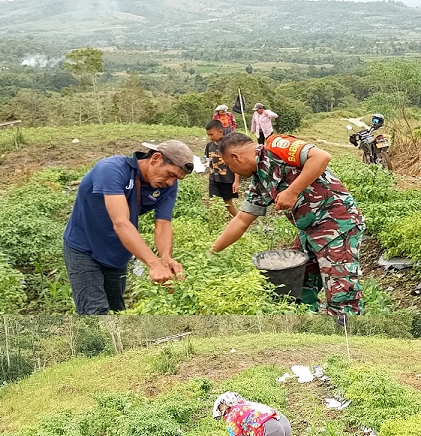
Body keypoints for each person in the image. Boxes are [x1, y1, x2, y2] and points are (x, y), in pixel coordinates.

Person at [210, 132, 364, 316]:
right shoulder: (259, 181)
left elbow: (322, 157)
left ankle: (346, 335)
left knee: (342, 292)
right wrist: (211, 252)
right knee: (297, 283)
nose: (232, 171)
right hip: (308, 232)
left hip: (337, 225)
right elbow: (241, 220)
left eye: (229, 165)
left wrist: (292, 191)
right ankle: (309, 327)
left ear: (236, 157)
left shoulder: (276, 146)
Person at [63, 140, 195, 314]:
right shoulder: (111, 170)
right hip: (84, 248)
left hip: (118, 253)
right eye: (170, 174)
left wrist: (165, 257)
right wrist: (153, 264)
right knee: (95, 312)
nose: (171, 182)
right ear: (155, 158)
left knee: (117, 312)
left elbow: (163, 223)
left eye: (176, 178)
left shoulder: (167, 186)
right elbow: (121, 222)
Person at [205, 120, 240, 218]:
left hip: (227, 179)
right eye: (208, 135)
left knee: (228, 203)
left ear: (220, 131)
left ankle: (238, 219)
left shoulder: (229, 145)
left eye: (211, 134)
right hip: (214, 178)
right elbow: (210, 161)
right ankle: (214, 221)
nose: (210, 137)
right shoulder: (209, 146)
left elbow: (236, 164)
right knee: (212, 201)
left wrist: (236, 181)